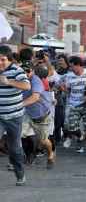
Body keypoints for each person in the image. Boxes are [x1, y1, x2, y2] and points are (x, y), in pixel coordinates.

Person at [0, 45, 31, 186]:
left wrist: (9, 81)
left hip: (14, 116)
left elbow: (27, 86)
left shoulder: (16, 70)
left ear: (10, 59)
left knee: (14, 148)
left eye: (3, 60)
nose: (0, 63)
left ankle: (20, 174)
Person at [61, 56, 86, 155]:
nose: (70, 68)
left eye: (72, 66)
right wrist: (64, 89)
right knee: (71, 126)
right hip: (73, 104)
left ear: (78, 65)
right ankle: (80, 136)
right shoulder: (69, 76)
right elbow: (69, 91)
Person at [22, 63, 55, 169]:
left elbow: (35, 98)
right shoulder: (20, 79)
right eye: (23, 71)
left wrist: (18, 105)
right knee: (20, 134)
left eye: (27, 71)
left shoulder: (35, 80)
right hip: (27, 113)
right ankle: (27, 157)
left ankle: (50, 154)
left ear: (32, 71)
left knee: (43, 141)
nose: (25, 73)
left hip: (42, 115)